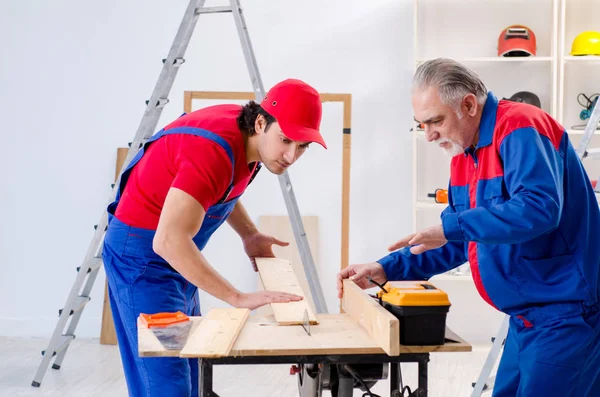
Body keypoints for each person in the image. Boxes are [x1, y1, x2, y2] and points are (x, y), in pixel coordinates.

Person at [337, 58, 600, 396]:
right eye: (421, 124)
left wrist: (451, 228)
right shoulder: (464, 159)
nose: (429, 135)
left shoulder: (521, 126)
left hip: (567, 317)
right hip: (524, 321)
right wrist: (383, 270)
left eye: (435, 121)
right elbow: (459, 240)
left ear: (469, 105)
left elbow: (539, 208)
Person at [102, 78, 327, 397]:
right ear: (261, 123)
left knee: (191, 372)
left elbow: (217, 188)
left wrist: (249, 235)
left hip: (176, 263)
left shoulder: (250, 140)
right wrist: (237, 297)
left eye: (302, 146)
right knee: (168, 383)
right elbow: (167, 241)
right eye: (286, 140)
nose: (291, 156)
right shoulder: (212, 149)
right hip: (142, 266)